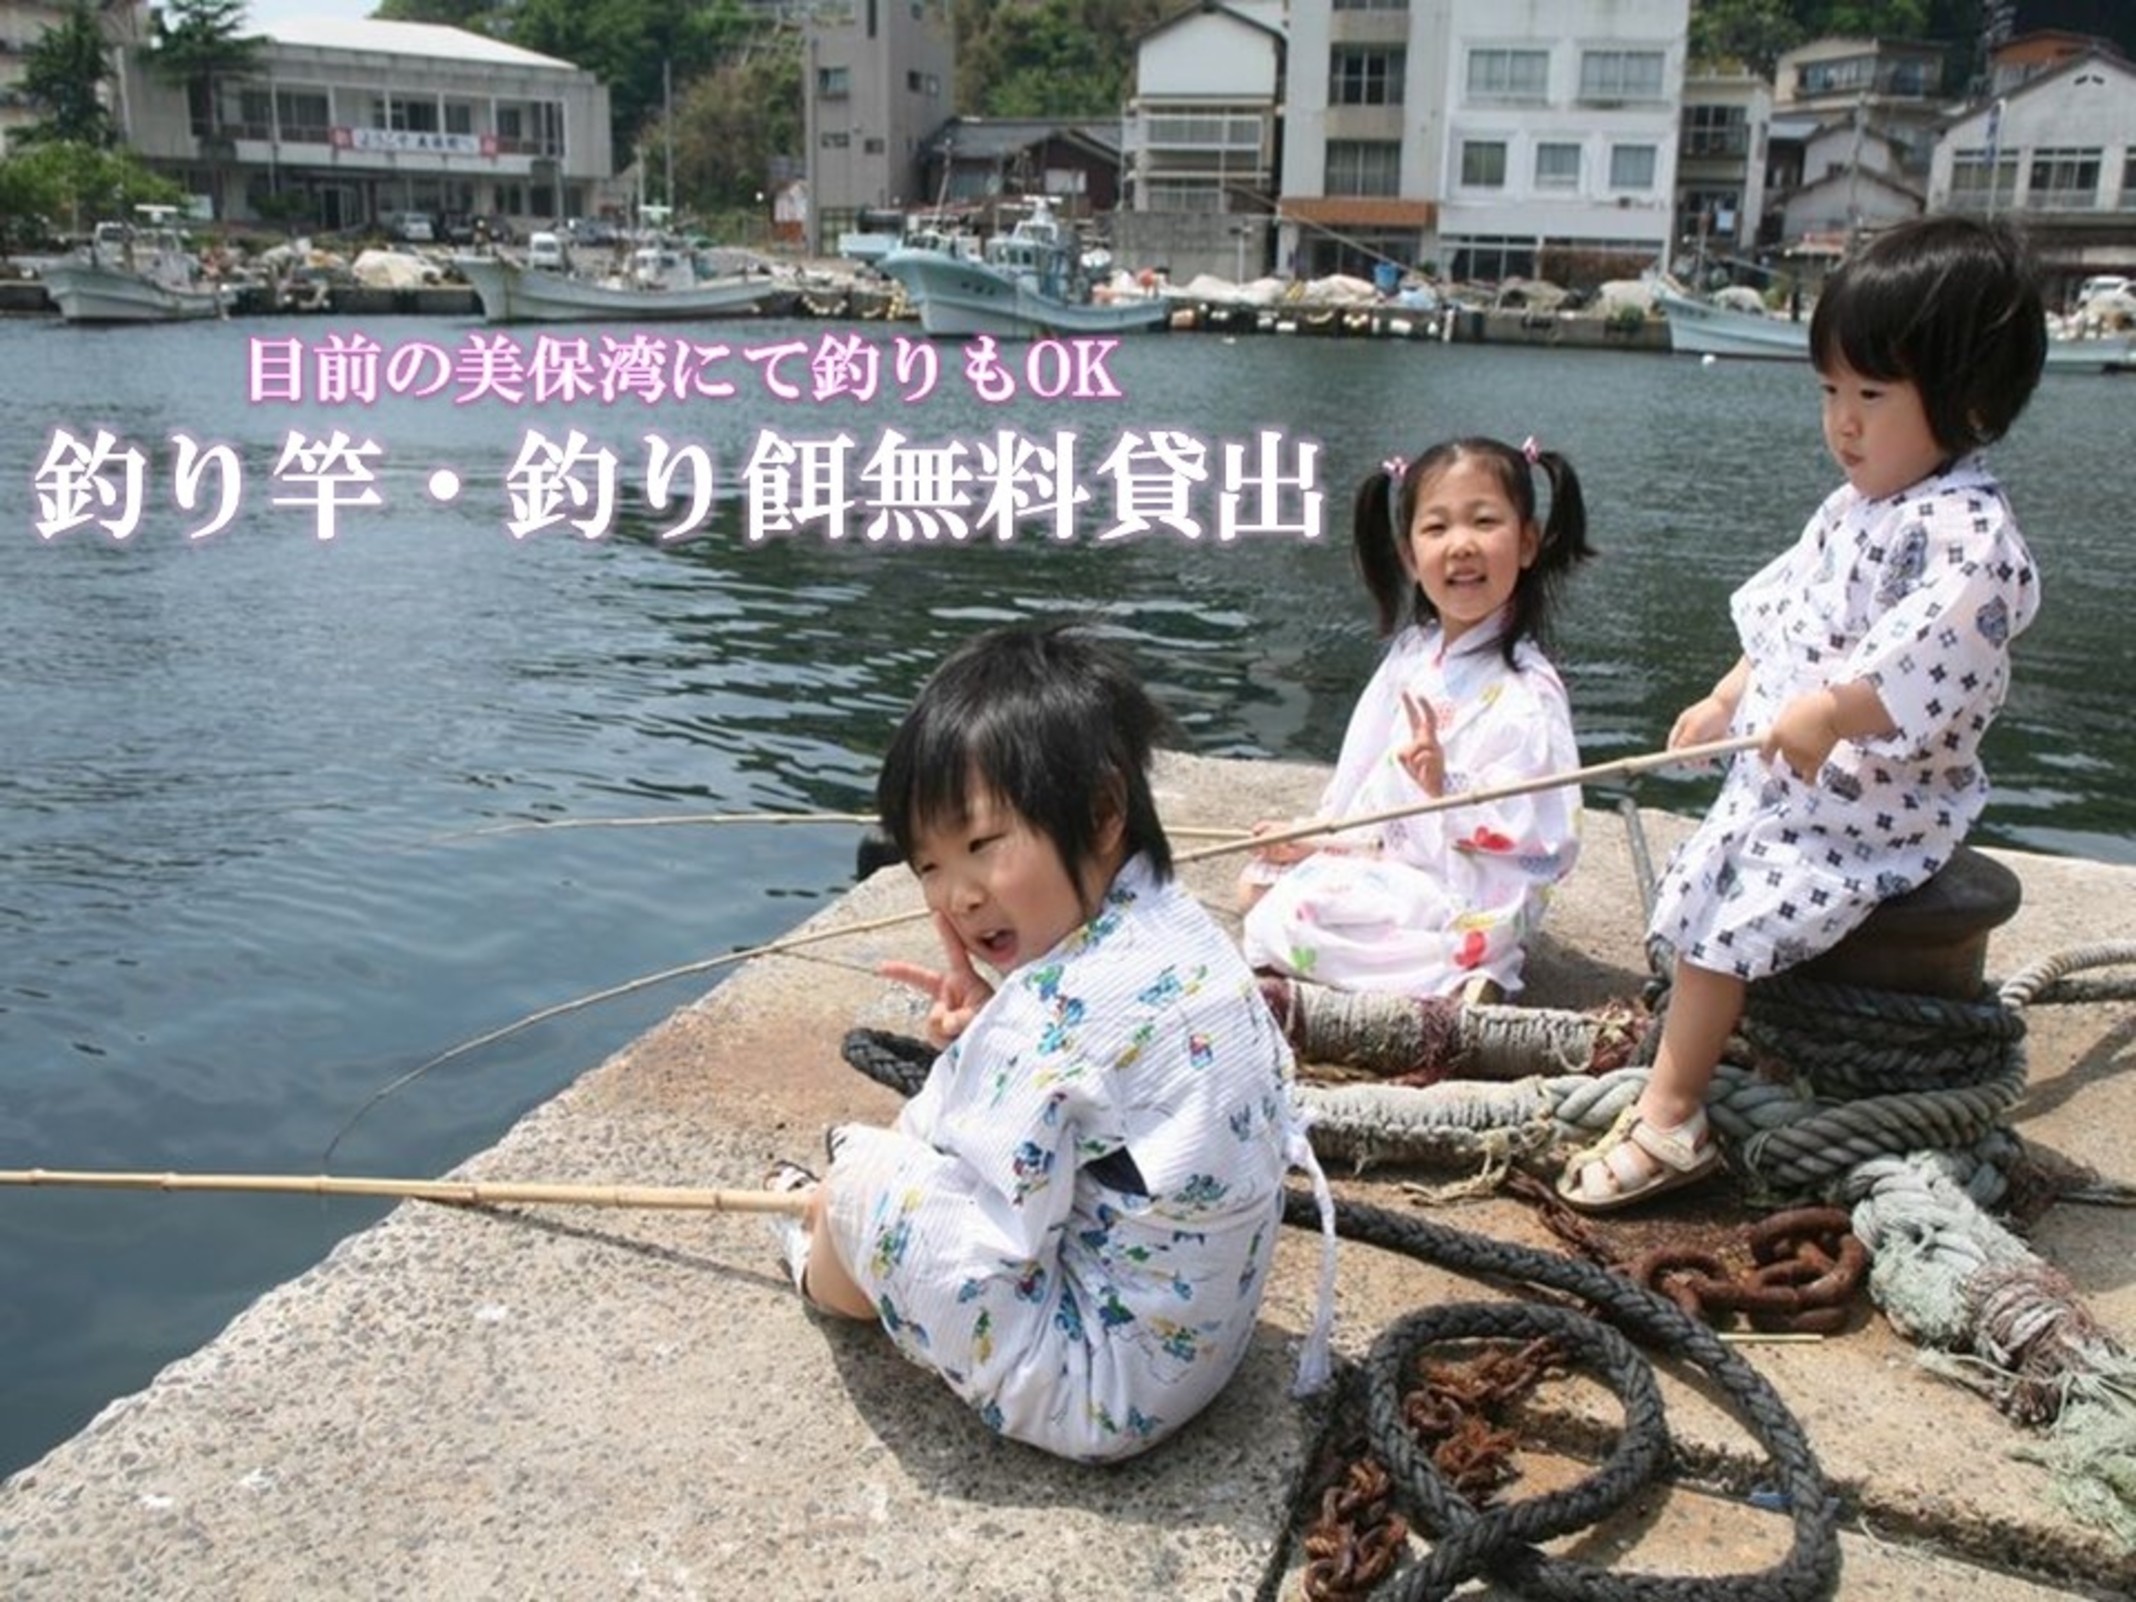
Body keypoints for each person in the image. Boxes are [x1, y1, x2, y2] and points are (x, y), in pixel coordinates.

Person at [1558, 214, 2047, 1212]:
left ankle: (1673, 1113)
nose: (1843, 423)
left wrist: (1831, 710)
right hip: (1792, 778)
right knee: (1701, 882)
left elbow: (1931, 661)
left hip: (1877, 801)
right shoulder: (1851, 509)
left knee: (1727, 917)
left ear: (1968, 399)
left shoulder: (1971, 537)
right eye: (1831, 391)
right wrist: (1727, 695)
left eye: (1872, 394)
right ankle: (1696, 1059)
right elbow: (1790, 619)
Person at [769, 620, 1334, 1463]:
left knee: (861, 1181)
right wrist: (993, 1025)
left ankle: (814, 1255)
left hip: (1101, 1392)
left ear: (1101, 812)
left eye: (980, 846)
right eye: (929, 866)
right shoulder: (1185, 931)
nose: (957, 896)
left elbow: (953, 1177)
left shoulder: (1049, 1015)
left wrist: (974, 1057)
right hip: (1201, 1351)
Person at [1238, 435, 1596, 1001]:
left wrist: (1444, 786)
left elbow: (1542, 833)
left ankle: (1467, 971)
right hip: (1398, 862)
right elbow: (1364, 777)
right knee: (1258, 885)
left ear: (1527, 542)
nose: (1461, 545)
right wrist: (1318, 834)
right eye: (1437, 527)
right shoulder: (1413, 653)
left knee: (1292, 912)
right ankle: (1442, 968)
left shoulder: (1528, 690)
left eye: (1484, 521)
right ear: (1410, 556)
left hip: (1471, 887)